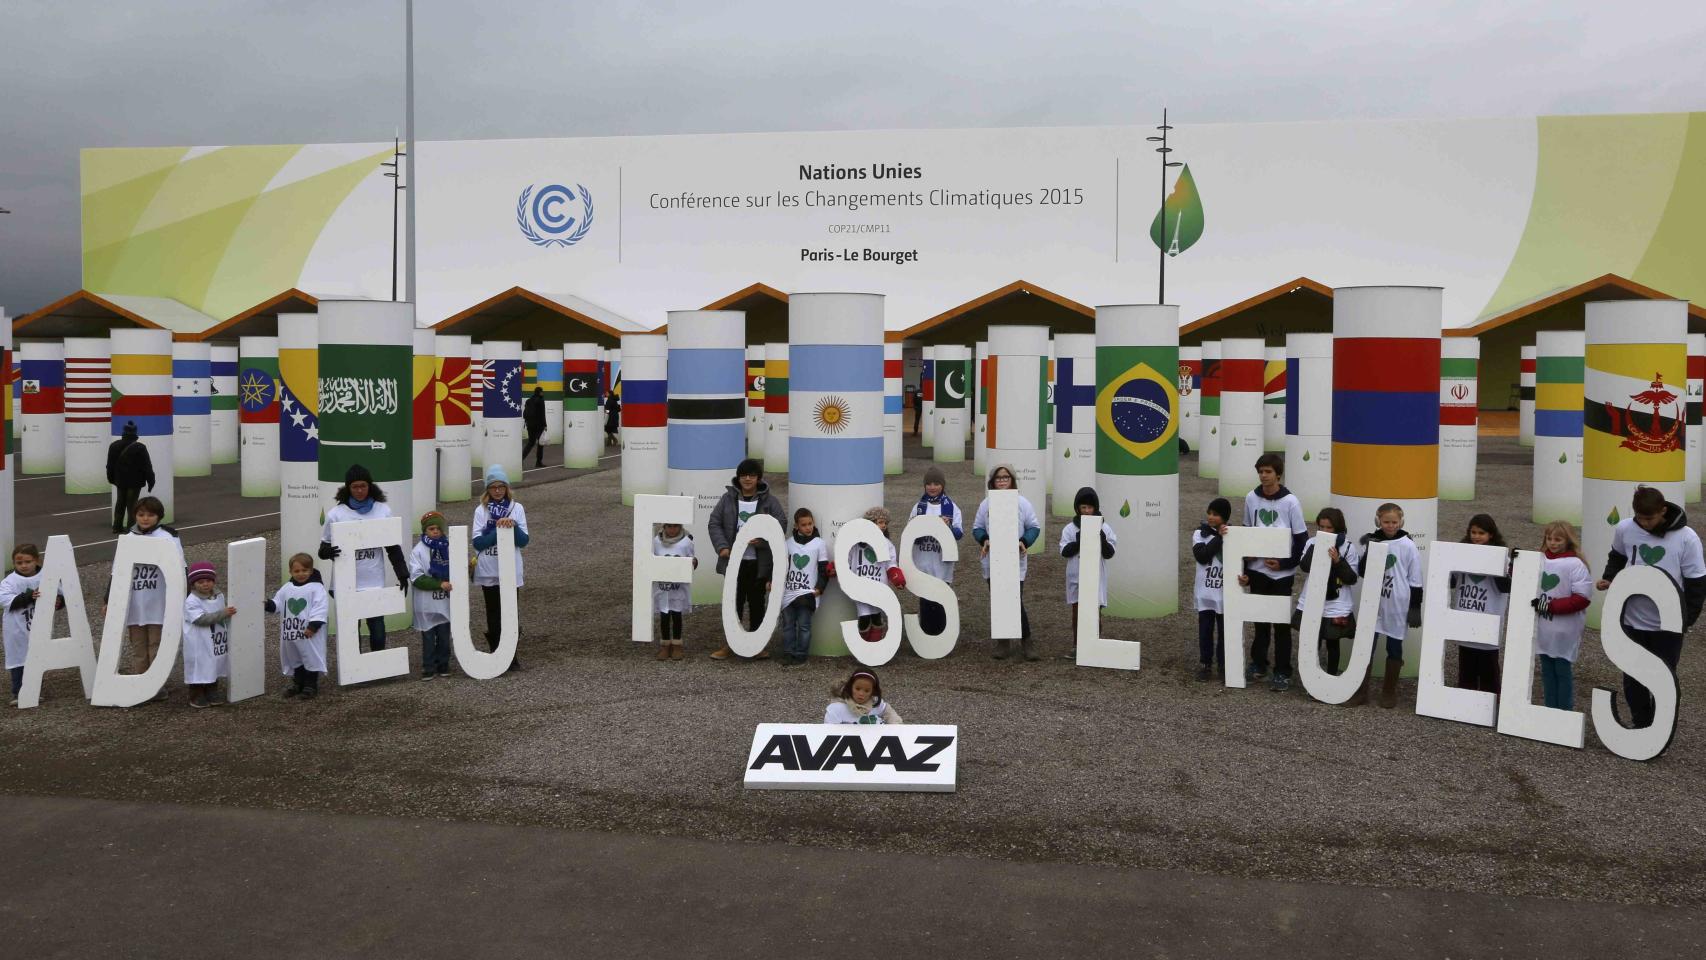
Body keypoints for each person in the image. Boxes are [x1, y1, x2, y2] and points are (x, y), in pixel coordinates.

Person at [1595, 486, 1706, 728]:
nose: (1644, 524)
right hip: (1633, 619)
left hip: (1667, 625)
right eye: (1640, 518)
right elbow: (1617, 556)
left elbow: (1696, 583)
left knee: (1663, 678)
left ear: (1663, 511)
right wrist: (1610, 577)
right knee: (1632, 676)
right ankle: (1642, 724)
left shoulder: (1687, 538)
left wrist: (1686, 620)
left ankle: (1661, 727)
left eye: (1650, 518)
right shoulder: (1625, 528)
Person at [318, 464, 410, 652]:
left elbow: (393, 548)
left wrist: (402, 574)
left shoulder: (382, 510)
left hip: (373, 581)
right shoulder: (336, 514)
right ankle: (355, 672)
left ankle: (377, 669)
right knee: (351, 628)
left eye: (363, 486)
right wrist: (329, 552)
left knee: (377, 627)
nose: (360, 490)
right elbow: (322, 549)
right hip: (345, 583)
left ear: (369, 486)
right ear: (348, 488)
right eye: (355, 487)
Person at [1239, 453, 1307, 691]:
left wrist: (1286, 564)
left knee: (1280, 623)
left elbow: (1301, 539)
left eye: (1268, 471)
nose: (1263, 476)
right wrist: (1246, 565)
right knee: (1259, 621)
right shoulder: (1251, 498)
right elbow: (1247, 531)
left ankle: (1282, 670)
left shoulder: (1290, 502)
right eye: (1260, 471)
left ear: (1278, 474)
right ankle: (1258, 663)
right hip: (1258, 571)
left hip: (1281, 575)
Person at [707, 458, 786, 660]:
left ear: (758, 478)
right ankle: (730, 644)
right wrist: (722, 547)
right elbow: (714, 523)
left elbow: (780, 525)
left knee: (757, 602)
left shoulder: (770, 501)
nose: (748, 479)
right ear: (738, 478)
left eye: (752, 475)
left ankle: (756, 645)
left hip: (758, 563)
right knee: (733, 602)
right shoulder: (727, 499)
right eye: (744, 475)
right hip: (734, 562)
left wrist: (762, 541)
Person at [1352, 502, 1424, 708]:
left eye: (1394, 522)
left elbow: (1416, 578)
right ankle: (1360, 691)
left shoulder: (1407, 545)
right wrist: (1370, 548)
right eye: (1386, 522)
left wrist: (1415, 609)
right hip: (1375, 602)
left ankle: (1389, 691)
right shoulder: (1374, 540)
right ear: (1378, 521)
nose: (1390, 526)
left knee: (1394, 647)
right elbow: (1363, 571)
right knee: (1367, 645)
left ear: (1401, 522)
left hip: (1397, 603)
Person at [117, 496, 183, 702]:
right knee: (138, 646)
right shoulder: (128, 537)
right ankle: (141, 682)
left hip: (158, 602)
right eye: (141, 514)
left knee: (156, 644)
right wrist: (108, 599)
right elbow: (116, 572)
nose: (145, 519)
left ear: (159, 516)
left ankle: (156, 684)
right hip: (135, 603)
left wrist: (184, 596)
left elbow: (181, 568)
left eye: (150, 514)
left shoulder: (168, 537)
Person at [973, 463, 1042, 661]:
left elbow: (1034, 527)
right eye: (998, 478)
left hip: (1015, 561)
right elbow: (977, 527)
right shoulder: (986, 504)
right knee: (998, 599)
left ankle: (1026, 640)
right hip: (993, 562)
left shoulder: (1022, 503)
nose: (1002, 480)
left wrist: (1024, 541)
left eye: (1005, 477)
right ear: (993, 482)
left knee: (1015, 600)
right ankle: (1003, 641)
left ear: (1012, 479)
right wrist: (984, 539)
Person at [472, 465, 530, 672]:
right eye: (493, 487)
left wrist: (511, 526)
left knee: (511, 612)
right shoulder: (481, 511)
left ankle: (511, 655)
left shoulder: (517, 508)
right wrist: (498, 528)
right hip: (489, 569)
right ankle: (496, 652)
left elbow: (523, 541)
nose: (497, 491)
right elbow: (478, 543)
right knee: (493, 613)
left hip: (511, 569)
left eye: (501, 487)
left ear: (506, 488)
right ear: (488, 489)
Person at [1295, 507, 1359, 683]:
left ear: (1337, 528)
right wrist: (1317, 547)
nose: (1324, 531)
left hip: (1336, 603)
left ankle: (1331, 677)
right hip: (1313, 599)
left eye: (1329, 528)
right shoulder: (1312, 543)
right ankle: (1311, 679)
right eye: (1321, 527)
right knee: (1311, 640)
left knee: (1332, 641)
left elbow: (1351, 578)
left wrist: (1338, 560)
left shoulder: (1348, 547)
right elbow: (1305, 567)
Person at [1449, 514, 1511, 694]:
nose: (1476, 536)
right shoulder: (1461, 553)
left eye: (1481, 533)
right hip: (1465, 615)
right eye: (1473, 532)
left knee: (1488, 665)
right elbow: (1451, 581)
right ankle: (1465, 696)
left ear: (1491, 535)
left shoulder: (1502, 557)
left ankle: (1489, 701)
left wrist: (1502, 564)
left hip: (1489, 617)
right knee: (1466, 661)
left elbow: (1505, 587)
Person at [1533, 521, 1592, 710]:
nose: (1552, 543)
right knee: (1546, 671)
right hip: (1543, 627)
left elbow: (1582, 598)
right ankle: (1550, 709)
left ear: (1568, 540)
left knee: (1562, 670)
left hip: (1565, 629)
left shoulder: (1575, 564)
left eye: (1558, 539)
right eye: (1549, 538)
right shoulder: (1539, 559)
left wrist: (1549, 606)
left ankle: (1565, 711)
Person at [1059, 486, 1116, 659]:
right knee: (1077, 611)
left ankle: (1095, 644)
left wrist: (1101, 538)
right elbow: (1064, 551)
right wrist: (1079, 541)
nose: (1087, 511)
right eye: (1083, 507)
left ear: (1095, 508)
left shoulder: (1105, 528)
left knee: (1094, 611)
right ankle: (1078, 646)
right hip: (1077, 576)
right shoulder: (1070, 529)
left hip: (1095, 577)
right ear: (1078, 508)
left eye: (1090, 508)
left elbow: (1110, 552)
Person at [264, 553, 328, 699]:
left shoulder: (316, 588)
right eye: (297, 571)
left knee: (310, 657)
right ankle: (298, 683)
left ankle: (310, 685)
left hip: (309, 632)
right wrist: (268, 604)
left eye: (304, 570)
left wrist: (313, 626)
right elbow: (278, 604)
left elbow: (320, 608)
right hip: (290, 631)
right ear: (291, 572)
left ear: (311, 570)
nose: (300, 574)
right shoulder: (287, 587)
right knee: (294, 657)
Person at [910, 466, 962, 638]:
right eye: (929, 484)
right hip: (923, 562)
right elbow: (910, 532)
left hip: (942, 563)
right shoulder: (918, 507)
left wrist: (947, 527)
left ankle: (941, 635)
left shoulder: (952, 507)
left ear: (943, 485)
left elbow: (959, 534)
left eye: (936, 483)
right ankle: (927, 635)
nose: (932, 487)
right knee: (925, 600)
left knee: (941, 600)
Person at [0, 543, 51, 706]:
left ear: (36, 560)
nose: (24, 565)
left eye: (28, 562)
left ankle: (36, 690)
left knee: (37, 657)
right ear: (14, 563)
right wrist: (29, 596)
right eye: (19, 563)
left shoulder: (46, 576)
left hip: (37, 625)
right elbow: (5, 600)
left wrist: (58, 601)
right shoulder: (10, 581)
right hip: (16, 628)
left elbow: (58, 592)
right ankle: (18, 692)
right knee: (19, 660)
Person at [848, 506, 906, 644]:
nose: (883, 525)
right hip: (860, 587)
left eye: (885, 523)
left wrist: (896, 576)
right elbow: (847, 560)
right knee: (864, 617)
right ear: (870, 523)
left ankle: (875, 646)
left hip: (878, 586)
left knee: (876, 616)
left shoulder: (887, 544)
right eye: (880, 522)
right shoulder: (856, 545)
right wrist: (837, 568)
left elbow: (891, 563)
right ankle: (864, 645)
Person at [181, 561, 234, 709]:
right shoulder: (192, 601)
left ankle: (212, 690)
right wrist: (223, 613)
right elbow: (200, 619)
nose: (205, 584)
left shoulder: (219, 596)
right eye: (201, 582)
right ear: (193, 584)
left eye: (209, 581)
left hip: (215, 638)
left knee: (214, 664)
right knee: (200, 666)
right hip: (199, 641)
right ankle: (196, 694)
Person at [779, 508, 829, 665]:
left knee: (804, 626)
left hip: (807, 593)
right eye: (804, 525)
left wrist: (820, 588)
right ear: (796, 526)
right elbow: (781, 567)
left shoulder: (819, 544)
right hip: (788, 592)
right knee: (787, 625)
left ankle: (801, 654)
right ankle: (788, 652)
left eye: (810, 524)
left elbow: (824, 569)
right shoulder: (788, 544)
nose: (808, 528)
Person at [409, 512, 454, 679]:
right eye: (431, 528)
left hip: (444, 602)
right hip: (426, 603)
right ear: (425, 530)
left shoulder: (449, 547)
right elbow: (416, 577)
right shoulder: (418, 551)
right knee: (428, 636)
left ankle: (443, 664)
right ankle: (428, 666)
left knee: (443, 635)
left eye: (438, 528)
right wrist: (438, 584)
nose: (435, 531)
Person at [1191, 498, 1231, 681]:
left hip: (1224, 593)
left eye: (1216, 514)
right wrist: (1219, 537)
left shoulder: (1233, 534)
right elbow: (1202, 555)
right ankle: (1205, 664)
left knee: (1225, 631)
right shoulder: (1200, 533)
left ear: (1224, 517)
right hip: (1205, 593)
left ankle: (1224, 665)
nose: (1211, 517)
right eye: (1209, 512)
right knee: (1205, 630)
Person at [652, 521, 696, 660]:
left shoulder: (686, 542)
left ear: (681, 526)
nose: (672, 529)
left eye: (676, 526)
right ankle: (665, 644)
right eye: (669, 526)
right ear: (664, 527)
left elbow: (692, 560)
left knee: (676, 616)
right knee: (664, 616)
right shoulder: (656, 542)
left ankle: (677, 644)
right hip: (662, 587)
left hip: (678, 588)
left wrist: (692, 563)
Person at [105, 421, 154, 534]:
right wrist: (151, 481)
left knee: (120, 502)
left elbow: (110, 465)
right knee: (132, 505)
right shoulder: (140, 447)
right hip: (135, 482)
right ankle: (131, 528)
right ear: (135, 433)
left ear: (123, 432)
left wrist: (111, 478)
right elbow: (147, 466)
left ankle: (117, 526)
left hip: (120, 481)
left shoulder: (114, 446)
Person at [825, 668, 904, 724]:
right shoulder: (837, 708)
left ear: (872, 692)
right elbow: (829, 731)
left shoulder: (876, 703)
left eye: (867, 691)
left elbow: (889, 713)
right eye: (857, 689)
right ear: (850, 687)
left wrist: (896, 728)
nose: (861, 694)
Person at [521, 386, 547, 468]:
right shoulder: (540, 401)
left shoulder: (529, 400)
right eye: (542, 391)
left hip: (530, 425)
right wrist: (545, 425)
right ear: (540, 392)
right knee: (540, 443)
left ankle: (520, 459)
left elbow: (525, 413)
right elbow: (542, 414)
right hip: (539, 426)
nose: (542, 393)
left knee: (530, 443)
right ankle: (538, 462)